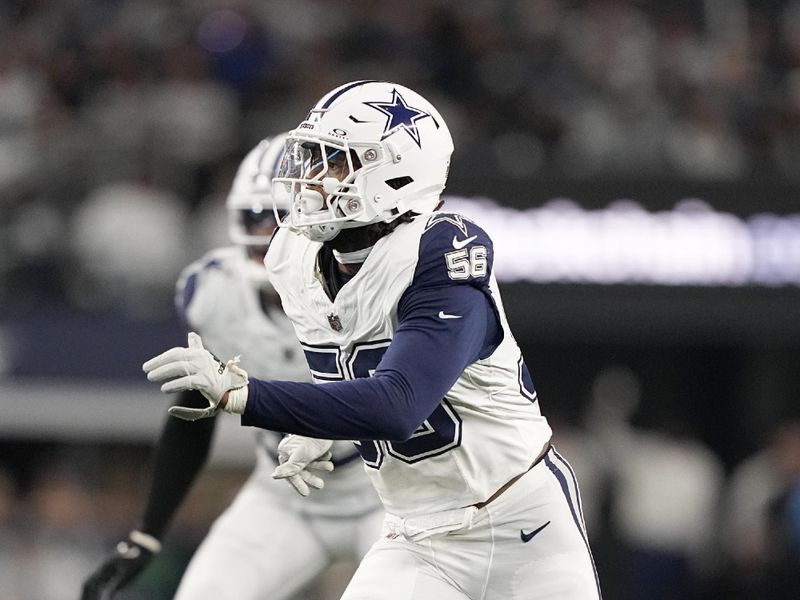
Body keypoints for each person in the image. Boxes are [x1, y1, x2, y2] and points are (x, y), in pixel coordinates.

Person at [143, 80, 601, 599]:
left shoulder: (441, 250)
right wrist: (325, 428)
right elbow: (347, 364)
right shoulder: (291, 258)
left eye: (336, 162)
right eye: (313, 158)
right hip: (416, 535)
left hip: (523, 521)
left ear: (399, 171)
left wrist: (240, 394)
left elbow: (398, 406)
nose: (313, 179)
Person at [82, 134, 384, 600]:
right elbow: (191, 414)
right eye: (257, 216)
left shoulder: (377, 283)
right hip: (283, 498)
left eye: (281, 216)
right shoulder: (213, 294)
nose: (267, 232)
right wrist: (147, 532)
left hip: (389, 494)